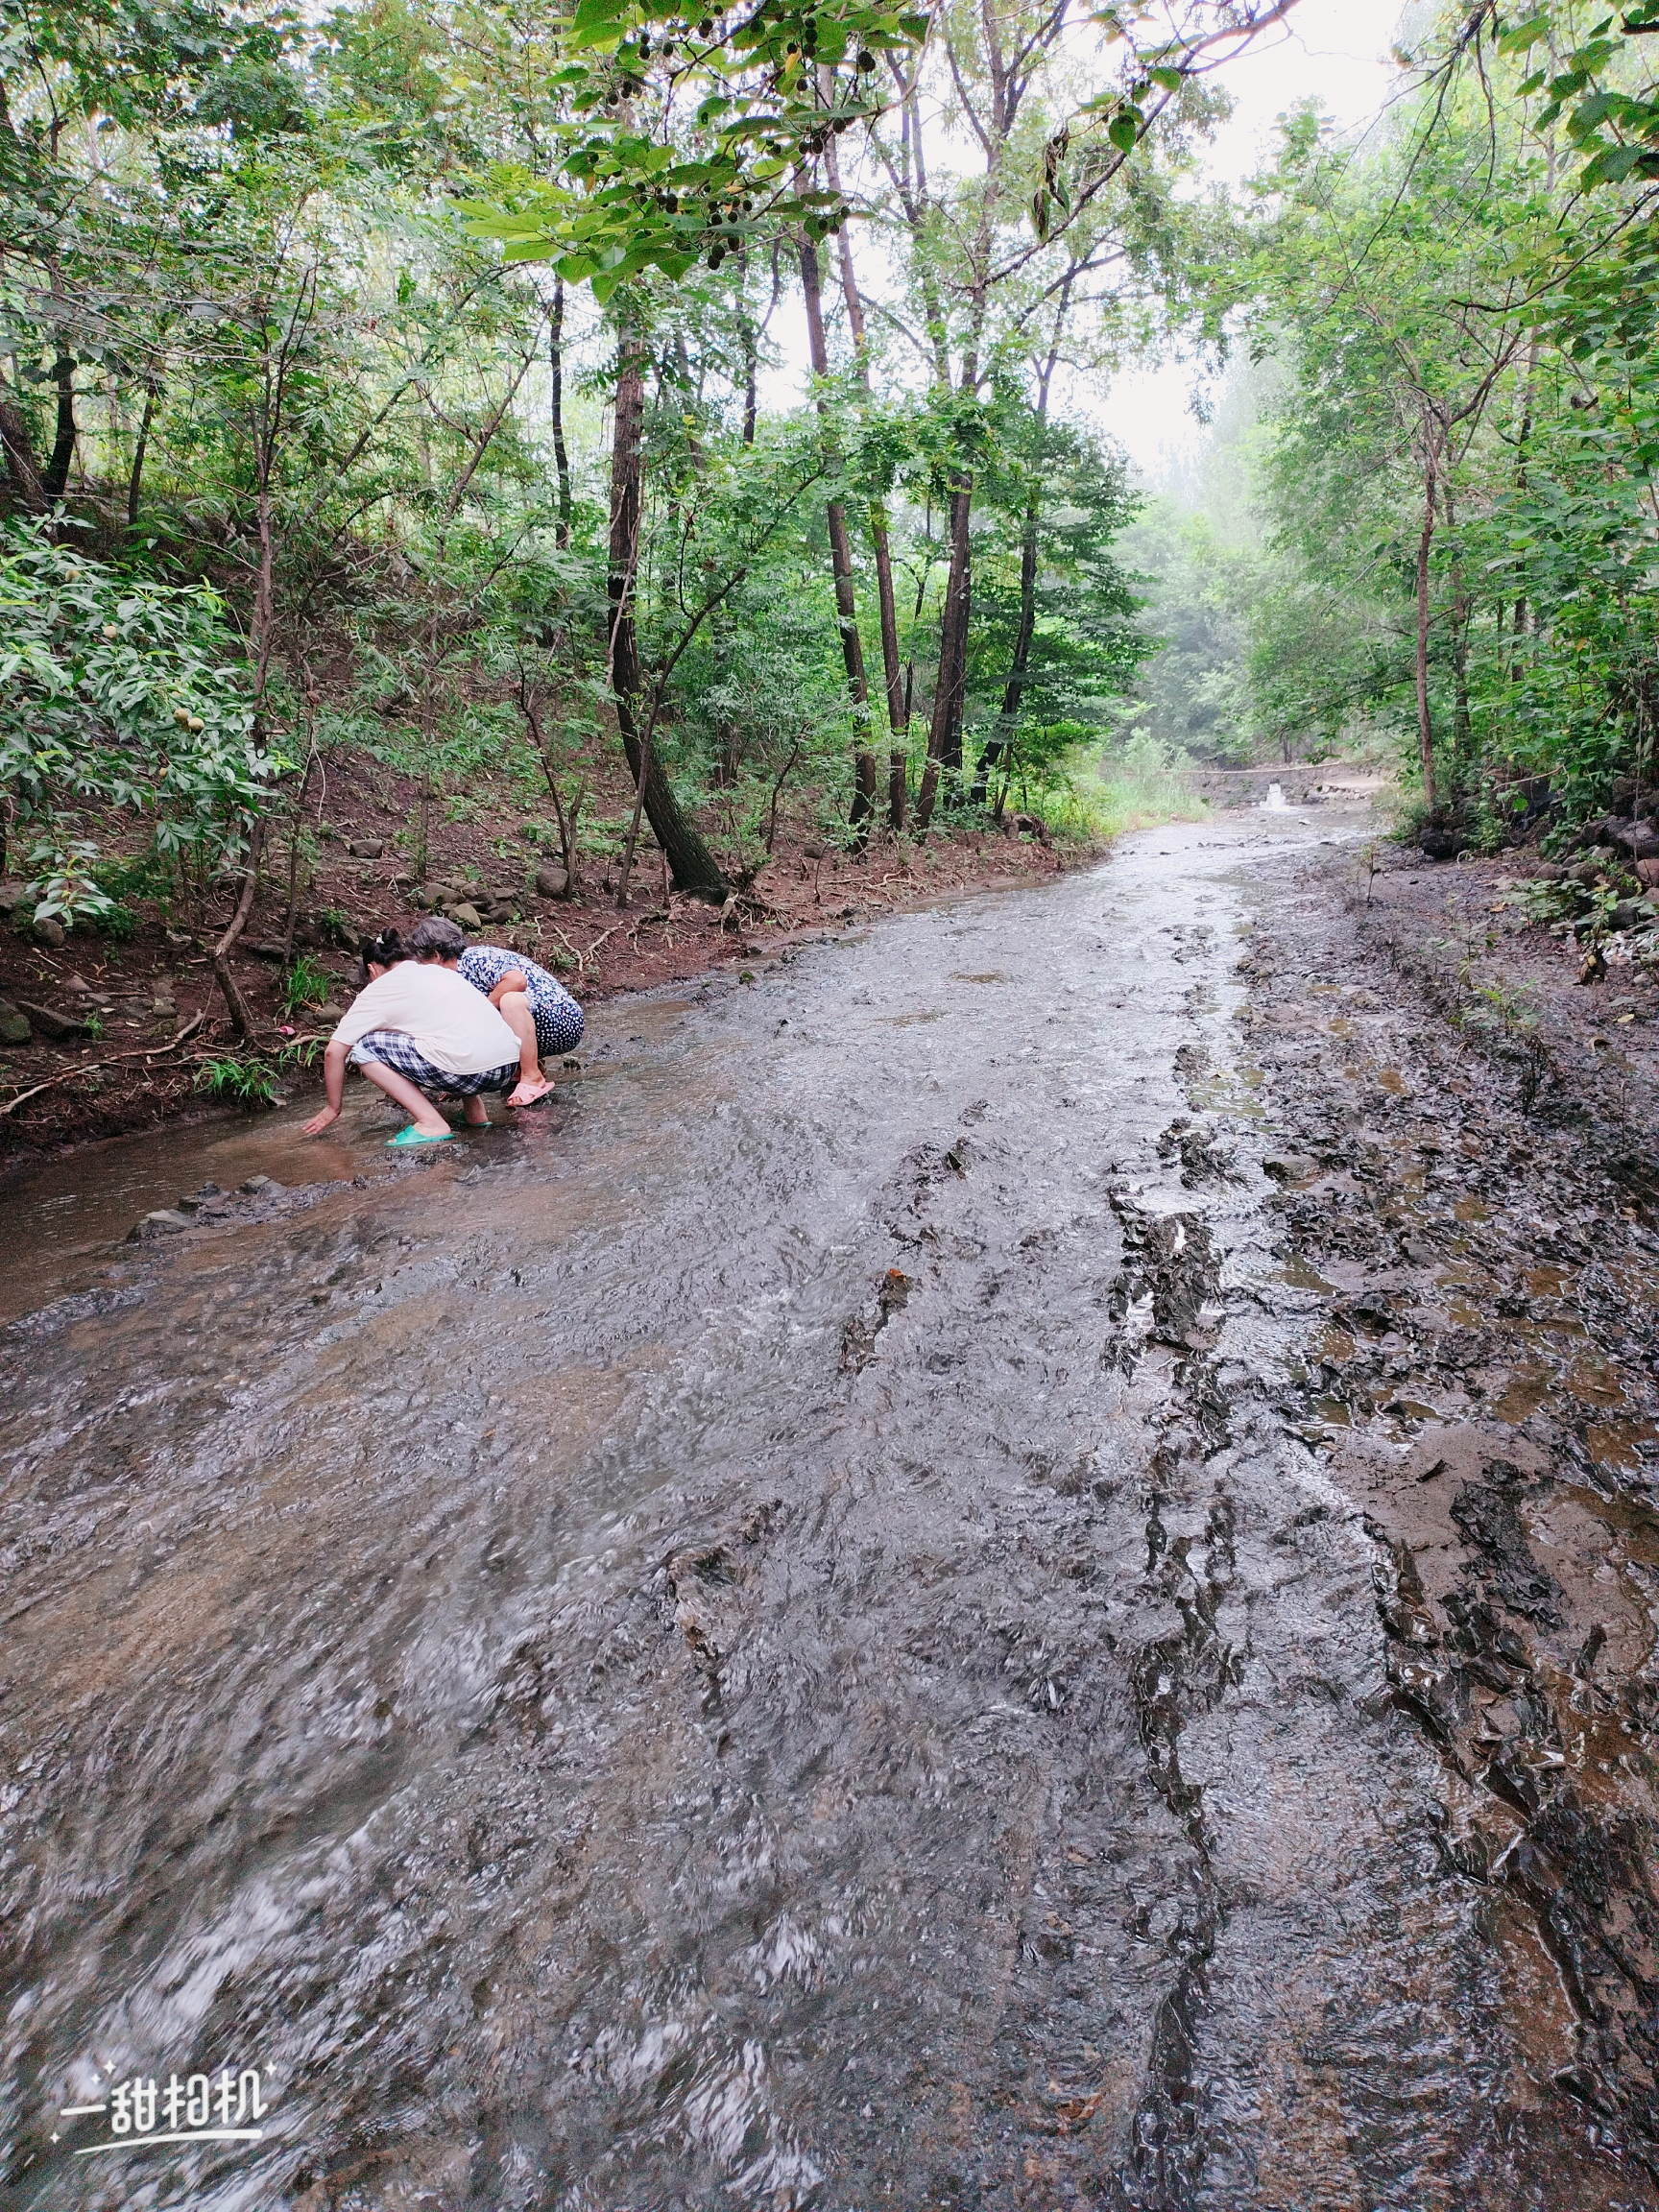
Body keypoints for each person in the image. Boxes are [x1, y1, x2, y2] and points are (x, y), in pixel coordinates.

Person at [301, 926, 521, 1147]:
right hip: (508, 1067)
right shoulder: (438, 971)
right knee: (443, 1032)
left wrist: (333, 1108)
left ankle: (431, 1122)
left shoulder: (377, 990)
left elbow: (334, 1052)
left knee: (364, 1047)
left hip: (470, 1071)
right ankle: (475, 1114)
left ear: (372, 969)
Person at [407, 916, 584, 1109]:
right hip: (537, 1026)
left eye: (422, 960)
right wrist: (461, 1084)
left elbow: (517, 981)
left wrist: (483, 1008)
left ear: (435, 955)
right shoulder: (452, 979)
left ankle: (532, 1076)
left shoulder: (473, 959)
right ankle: (520, 1070)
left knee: (509, 1000)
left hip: (562, 1020)